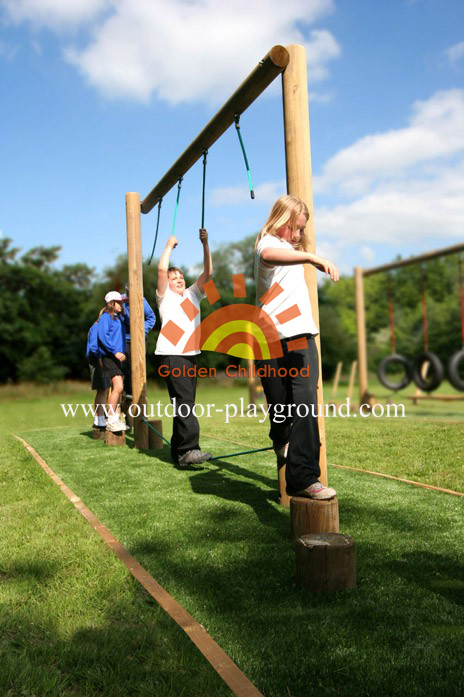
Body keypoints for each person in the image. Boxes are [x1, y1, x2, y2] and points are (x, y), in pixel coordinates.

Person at [254, 195, 339, 500]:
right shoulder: (266, 244)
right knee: (280, 408)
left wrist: (303, 253)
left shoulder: (291, 249)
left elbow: (288, 252)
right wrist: (311, 257)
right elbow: (270, 257)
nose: (299, 235)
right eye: (295, 228)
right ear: (281, 221)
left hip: (301, 335)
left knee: (304, 404)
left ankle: (304, 478)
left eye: (302, 229)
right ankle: (280, 437)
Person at [155, 229, 212, 467]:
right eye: (173, 277)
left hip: (190, 356)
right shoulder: (164, 297)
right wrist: (168, 246)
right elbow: (160, 269)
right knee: (184, 402)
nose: (178, 279)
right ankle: (189, 449)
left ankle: (179, 452)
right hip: (172, 355)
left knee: (185, 402)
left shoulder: (193, 295)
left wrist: (205, 244)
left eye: (180, 276)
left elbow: (208, 273)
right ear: (166, 284)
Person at [98, 290, 128, 432]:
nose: (122, 304)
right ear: (111, 303)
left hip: (118, 357)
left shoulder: (119, 318)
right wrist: (115, 352)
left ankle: (116, 419)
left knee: (119, 389)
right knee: (118, 387)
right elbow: (102, 337)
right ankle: (111, 419)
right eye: (119, 302)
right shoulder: (106, 317)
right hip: (110, 356)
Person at [121, 287, 156, 398]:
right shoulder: (120, 301)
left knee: (138, 367)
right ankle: (126, 393)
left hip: (139, 339)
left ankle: (137, 395)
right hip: (124, 339)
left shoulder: (142, 301)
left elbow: (151, 317)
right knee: (125, 367)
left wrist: (141, 330)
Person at [86, 317, 110, 429]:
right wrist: (100, 361)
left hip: (100, 360)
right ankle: (99, 419)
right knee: (102, 390)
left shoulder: (99, 325)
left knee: (104, 390)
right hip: (97, 360)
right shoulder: (97, 326)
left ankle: (100, 418)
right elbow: (93, 347)